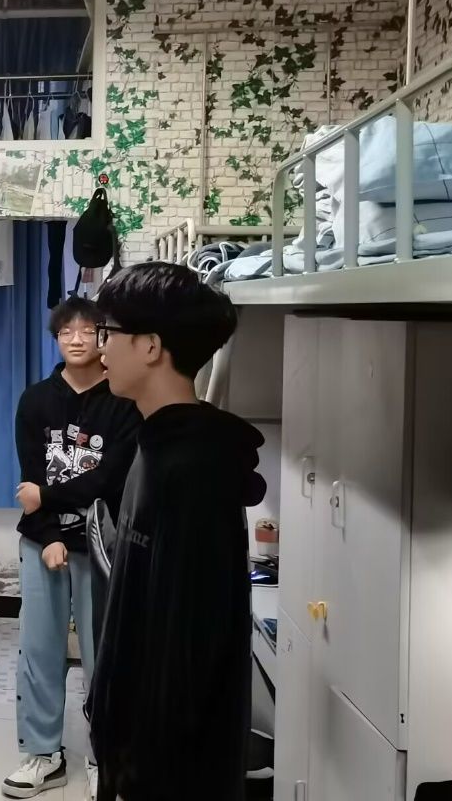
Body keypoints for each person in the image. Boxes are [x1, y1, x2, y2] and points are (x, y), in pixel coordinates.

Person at [86, 263, 266, 801]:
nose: (99, 348)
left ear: (150, 346)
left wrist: (138, 768)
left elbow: (188, 648)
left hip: (169, 771)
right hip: (139, 754)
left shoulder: (193, 472)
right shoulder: (158, 445)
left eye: (107, 332)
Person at [4, 297, 141, 801]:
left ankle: (105, 754)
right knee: (40, 650)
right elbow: (29, 482)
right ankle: (44, 754)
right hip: (43, 542)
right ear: (56, 339)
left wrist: (47, 498)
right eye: (67, 332)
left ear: (104, 338)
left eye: (88, 330)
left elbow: (112, 480)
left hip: (104, 543)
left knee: (104, 652)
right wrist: (50, 536)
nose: (77, 339)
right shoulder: (35, 400)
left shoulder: (123, 401)